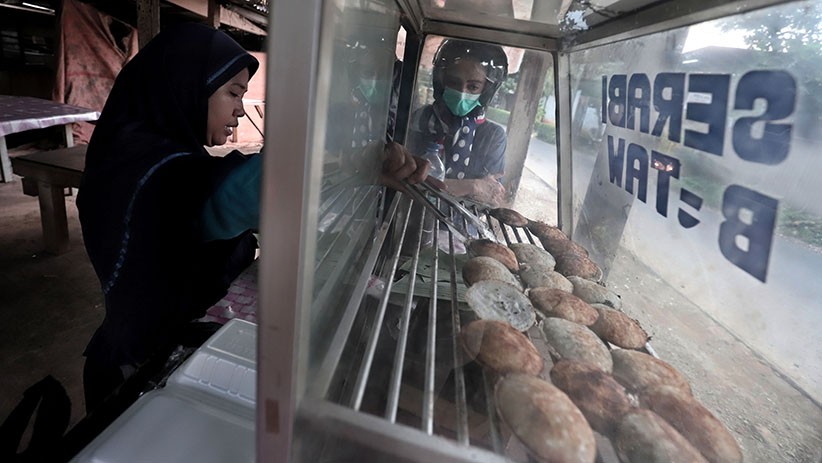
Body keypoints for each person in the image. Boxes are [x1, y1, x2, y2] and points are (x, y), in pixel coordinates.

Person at [77, 23, 429, 413]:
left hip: (152, 347)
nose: (240, 110)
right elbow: (235, 191)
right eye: (232, 93)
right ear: (185, 84)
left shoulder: (135, 154)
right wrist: (348, 162)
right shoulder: (149, 176)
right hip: (139, 374)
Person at [406, 38, 509, 207]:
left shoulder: (494, 135)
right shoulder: (421, 118)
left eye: (473, 87)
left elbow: (491, 196)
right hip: (413, 215)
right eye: (454, 83)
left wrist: (434, 183)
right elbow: (408, 180)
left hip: (465, 225)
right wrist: (472, 185)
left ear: (486, 91)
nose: (462, 92)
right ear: (441, 81)